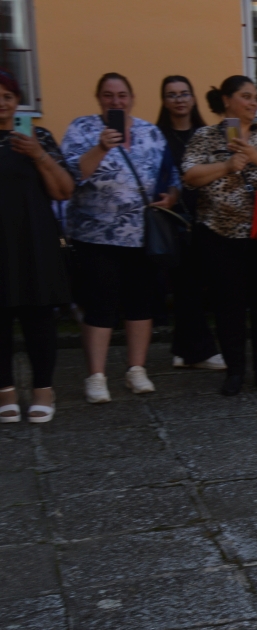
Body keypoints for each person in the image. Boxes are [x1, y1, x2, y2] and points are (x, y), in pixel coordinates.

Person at [62, 72, 178, 403]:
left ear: (132, 98)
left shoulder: (150, 132)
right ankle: (96, 376)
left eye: (122, 95)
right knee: (100, 304)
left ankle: (136, 369)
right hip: (96, 235)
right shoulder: (82, 129)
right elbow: (71, 176)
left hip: (142, 235)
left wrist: (170, 196)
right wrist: (101, 147)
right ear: (99, 98)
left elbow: (171, 175)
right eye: (109, 95)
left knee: (141, 303)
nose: (116, 101)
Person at [181, 75, 257, 395]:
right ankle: (234, 372)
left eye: (255, 97)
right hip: (219, 234)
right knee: (228, 305)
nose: (253, 102)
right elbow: (190, 175)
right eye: (246, 96)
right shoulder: (205, 136)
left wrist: (255, 157)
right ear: (226, 100)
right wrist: (229, 165)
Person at [0, 69, 73, 424]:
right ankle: (5, 391)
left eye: (7, 96)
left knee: (39, 315)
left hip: (34, 240)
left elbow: (64, 190)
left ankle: (43, 389)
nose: (1, 103)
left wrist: (38, 154)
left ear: (18, 101)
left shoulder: (38, 136)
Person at [155, 74, 223, 373]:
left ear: (193, 98)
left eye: (184, 93)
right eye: (172, 94)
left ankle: (184, 348)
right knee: (185, 284)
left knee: (197, 285)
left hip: (206, 217)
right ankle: (200, 350)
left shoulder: (206, 134)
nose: (179, 99)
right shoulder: (156, 136)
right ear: (164, 101)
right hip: (172, 219)